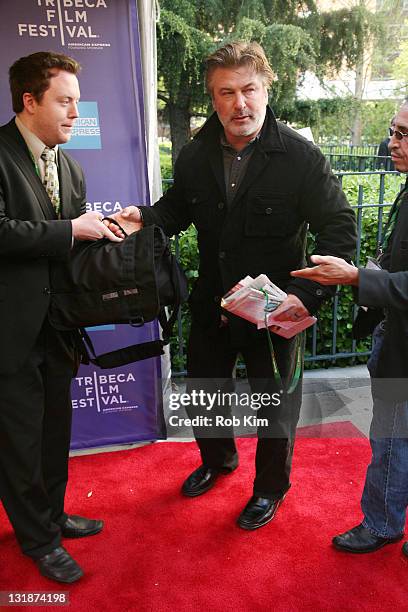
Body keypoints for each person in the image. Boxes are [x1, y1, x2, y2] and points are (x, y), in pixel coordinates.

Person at [108, 41, 357, 531]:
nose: (240, 103)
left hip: (275, 311)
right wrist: (147, 217)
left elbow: (340, 231)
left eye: (249, 89)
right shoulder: (196, 154)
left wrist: (304, 297)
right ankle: (218, 460)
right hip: (212, 305)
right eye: (227, 92)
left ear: (267, 89)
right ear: (213, 97)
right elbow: (179, 207)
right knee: (207, 391)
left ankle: (270, 489)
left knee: (275, 404)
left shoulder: (301, 159)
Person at [0, 51, 123, 583]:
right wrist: (74, 230)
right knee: (21, 443)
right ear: (30, 101)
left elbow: (69, 255)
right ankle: (38, 539)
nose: (76, 112)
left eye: (78, 101)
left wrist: (114, 239)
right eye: (65, 101)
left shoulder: (70, 166)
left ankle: (52, 514)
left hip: (59, 329)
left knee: (54, 434)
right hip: (9, 331)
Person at [291, 101, 408, 557]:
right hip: (394, 336)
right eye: (392, 131)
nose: (391, 142)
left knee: (392, 440)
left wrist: (358, 277)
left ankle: (381, 524)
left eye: (401, 134)